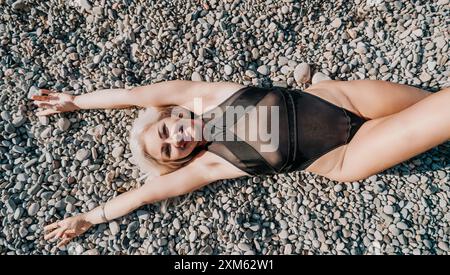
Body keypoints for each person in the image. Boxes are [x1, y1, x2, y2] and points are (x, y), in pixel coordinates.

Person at [32, 79, 450, 247]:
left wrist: (76, 102)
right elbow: (145, 195)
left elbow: (133, 95)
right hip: (345, 155)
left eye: (166, 132)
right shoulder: (211, 163)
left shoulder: (204, 97)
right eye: (169, 151)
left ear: (170, 115)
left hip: (339, 99)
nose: (176, 141)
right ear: (177, 161)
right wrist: (89, 217)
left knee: (439, 100)